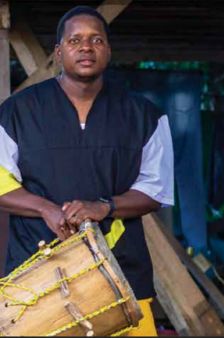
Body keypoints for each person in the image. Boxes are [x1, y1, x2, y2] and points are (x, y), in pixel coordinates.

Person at [0, 6, 174, 336]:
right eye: (75, 40)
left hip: (120, 271)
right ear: (58, 51)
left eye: (96, 39)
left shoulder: (143, 115)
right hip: (35, 273)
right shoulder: (17, 112)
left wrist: (103, 207)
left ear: (107, 50)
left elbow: (156, 189)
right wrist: (46, 209)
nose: (86, 47)